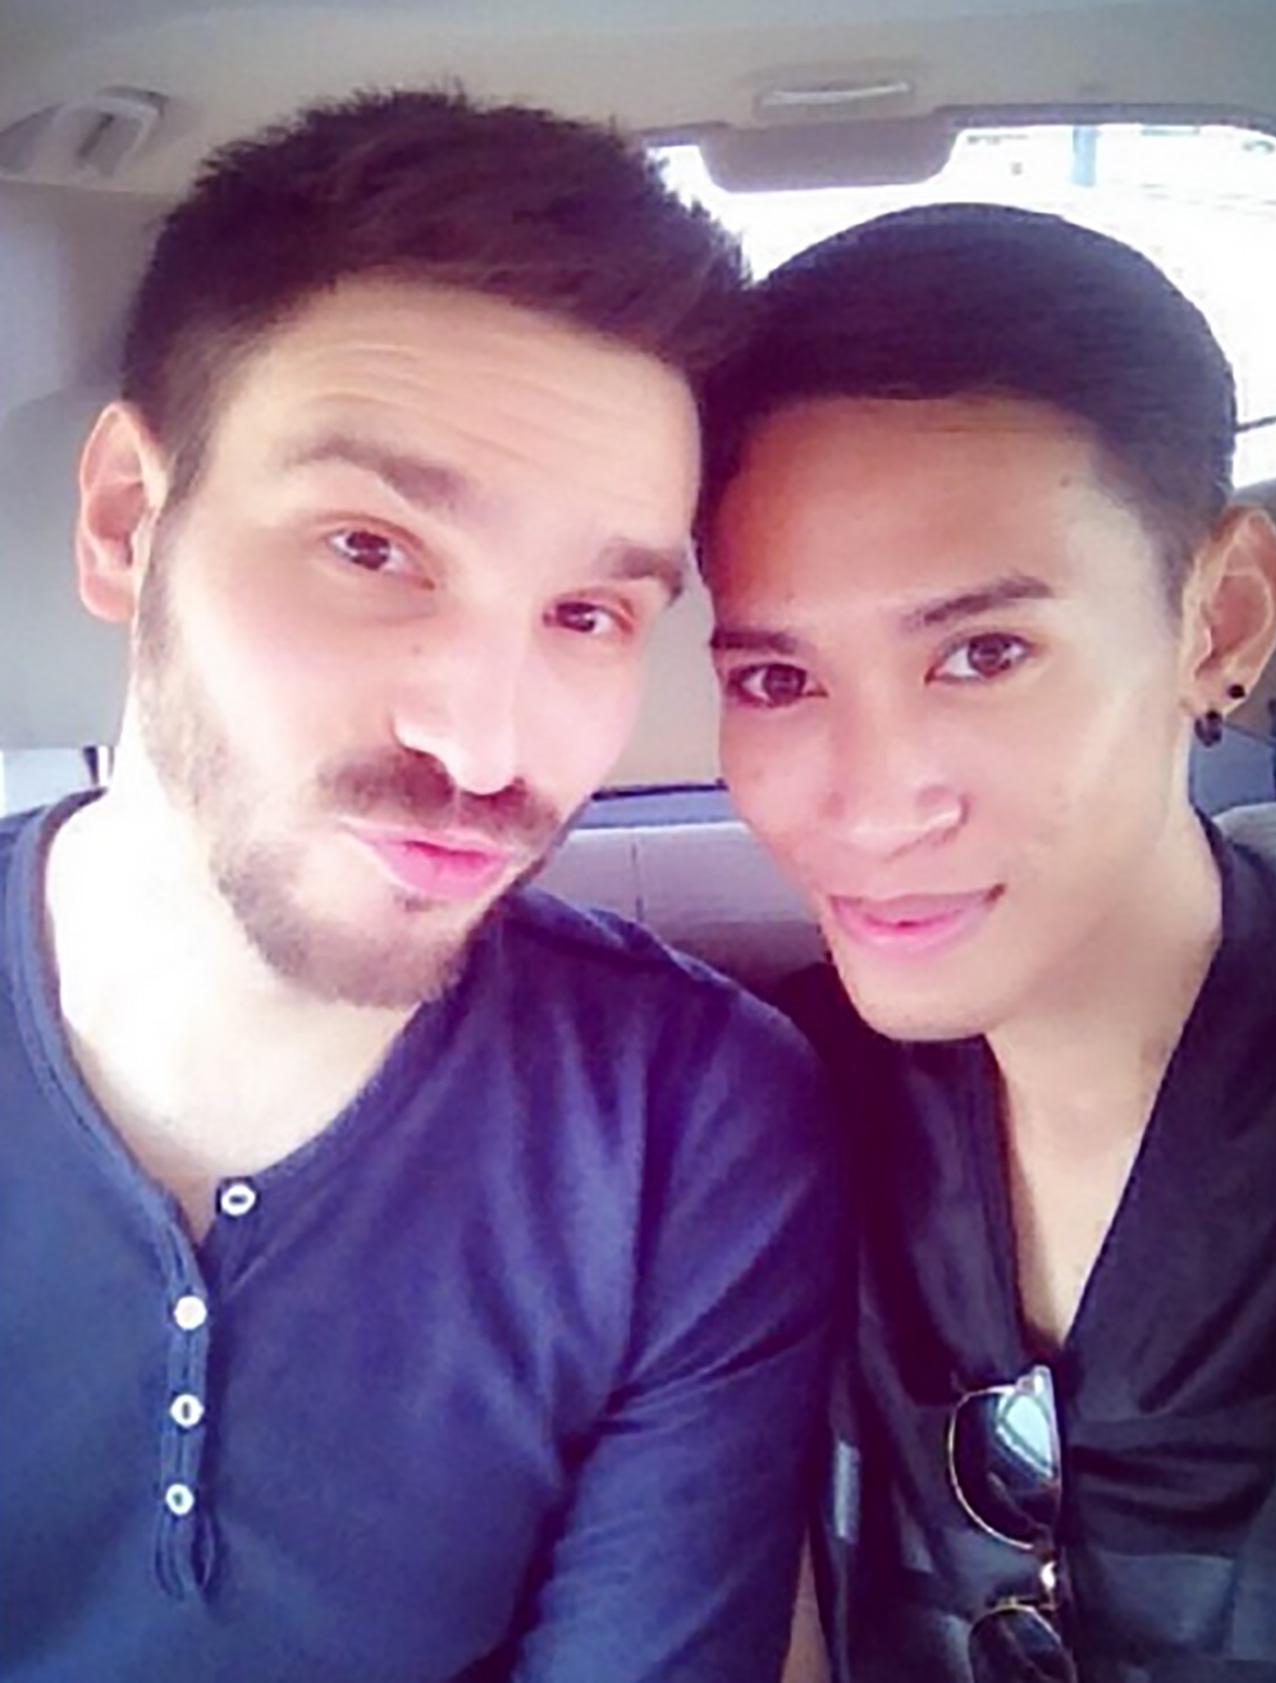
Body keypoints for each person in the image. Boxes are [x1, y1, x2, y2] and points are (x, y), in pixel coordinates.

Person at [0, 89, 837, 1683]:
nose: (481, 743)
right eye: (372, 549)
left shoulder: (686, 1125)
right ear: (126, 524)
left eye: (588, 614)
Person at [700, 203, 1276, 1681]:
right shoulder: (750, 1116)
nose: (871, 804)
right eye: (776, 680)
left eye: (983, 653)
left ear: (1219, 623)